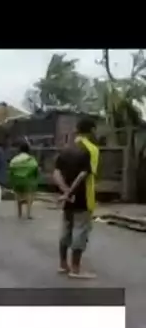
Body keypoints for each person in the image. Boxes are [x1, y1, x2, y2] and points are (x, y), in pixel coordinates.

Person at [53, 118, 99, 279]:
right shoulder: (92, 149)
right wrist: (70, 191)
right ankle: (76, 268)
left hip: (68, 198)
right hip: (83, 196)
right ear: (92, 130)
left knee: (66, 229)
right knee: (80, 231)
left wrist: (65, 192)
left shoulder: (66, 149)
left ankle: (63, 264)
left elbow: (56, 172)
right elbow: (85, 174)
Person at [8, 141, 39, 220]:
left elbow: (11, 169)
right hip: (28, 181)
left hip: (17, 181)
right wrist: (35, 179)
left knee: (18, 196)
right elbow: (35, 168)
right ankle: (28, 214)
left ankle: (19, 213)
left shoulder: (15, 159)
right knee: (29, 197)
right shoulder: (31, 159)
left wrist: (12, 180)